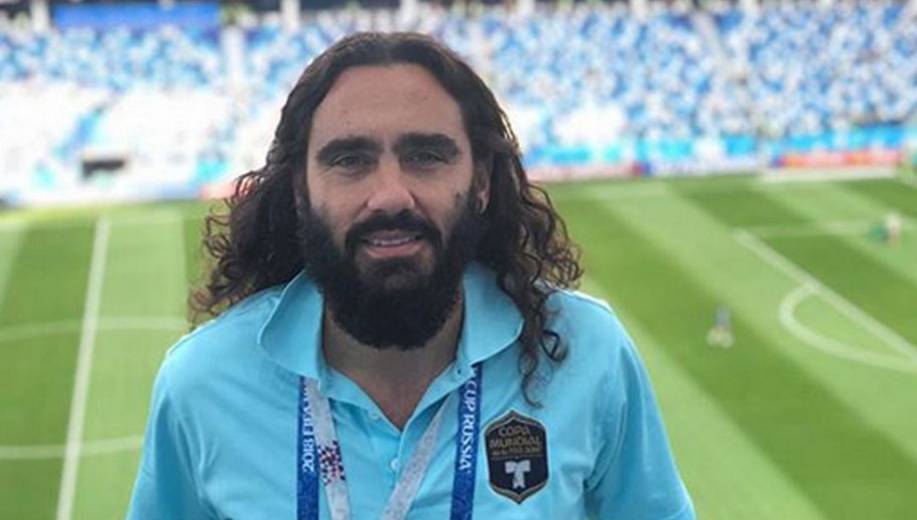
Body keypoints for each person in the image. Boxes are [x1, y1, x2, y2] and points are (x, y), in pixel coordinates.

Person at [127, 32, 695, 520]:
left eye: (425, 155)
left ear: (481, 181)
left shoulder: (584, 351)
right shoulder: (202, 383)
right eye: (350, 160)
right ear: (300, 189)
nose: (390, 195)